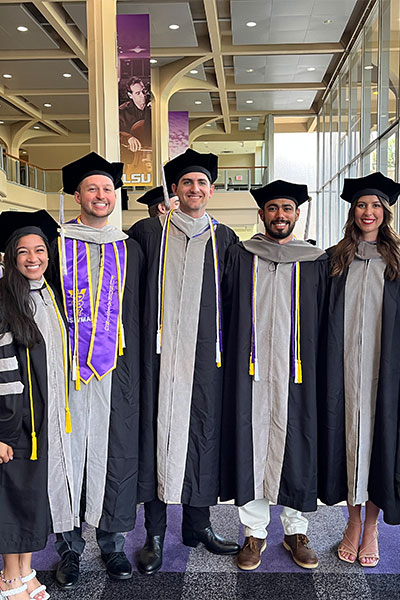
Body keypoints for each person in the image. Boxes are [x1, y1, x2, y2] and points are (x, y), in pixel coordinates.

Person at [129, 148, 239, 575]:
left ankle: (199, 526)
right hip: (158, 359)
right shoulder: (147, 232)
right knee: (156, 441)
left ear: (211, 190)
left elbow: (234, 301)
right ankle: (154, 534)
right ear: (174, 189)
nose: (195, 189)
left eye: (202, 183)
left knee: (202, 439)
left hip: (205, 361)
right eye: (187, 182)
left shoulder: (224, 238)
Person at [220, 180, 328, 571]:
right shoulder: (242, 256)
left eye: (287, 208)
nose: (280, 215)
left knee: (297, 446)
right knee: (252, 448)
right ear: (262, 214)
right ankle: (254, 533)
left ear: (297, 214)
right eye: (272, 208)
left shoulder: (316, 261)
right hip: (251, 372)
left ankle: (296, 531)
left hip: (298, 374)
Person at [51, 152, 143, 589]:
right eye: (93, 188)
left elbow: (141, 315)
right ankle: (69, 547)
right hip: (66, 371)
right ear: (77, 195)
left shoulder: (131, 250)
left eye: (107, 188)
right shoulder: (54, 246)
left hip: (118, 371)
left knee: (116, 452)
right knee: (67, 455)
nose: (101, 195)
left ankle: (112, 543)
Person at [318, 172, 400, 567]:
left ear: (385, 212)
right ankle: (352, 522)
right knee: (348, 443)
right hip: (344, 371)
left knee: (379, 445)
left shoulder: (398, 262)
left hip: (386, 374)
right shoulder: (336, 259)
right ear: (353, 212)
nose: (369, 212)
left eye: (376, 206)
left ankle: (372, 529)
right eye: (362, 205)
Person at [0, 210, 73, 600]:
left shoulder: (46, 294)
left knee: (31, 497)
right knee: (14, 499)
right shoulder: (3, 300)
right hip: (15, 422)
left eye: (40, 250)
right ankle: (9, 578)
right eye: (23, 252)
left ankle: (25, 571)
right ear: (10, 257)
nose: (33, 258)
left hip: (41, 419)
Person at [119, 77, 151, 158]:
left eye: (143, 91)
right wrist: (128, 138)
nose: (143, 95)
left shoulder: (153, 106)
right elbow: (115, 133)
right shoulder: (122, 111)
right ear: (130, 95)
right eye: (137, 93)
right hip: (132, 156)